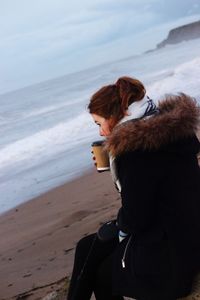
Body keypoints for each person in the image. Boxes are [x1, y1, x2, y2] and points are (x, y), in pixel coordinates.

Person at [67, 76, 200, 300]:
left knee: (104, 273)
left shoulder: (135, 153)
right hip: (187, 231)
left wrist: (118, 222)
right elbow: (157, 190)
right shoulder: (172, 133)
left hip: (171, 256)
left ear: (116, 117)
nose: (101, 133)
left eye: (100, 124)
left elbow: (137, 219)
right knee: (86, 245)